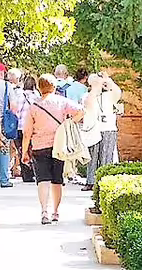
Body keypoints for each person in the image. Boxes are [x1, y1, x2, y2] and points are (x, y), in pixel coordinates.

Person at [21, 73, 84, 224]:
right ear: (54, 87)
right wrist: (69, 123)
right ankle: (55, 212)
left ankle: (44, 211)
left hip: (39, 147)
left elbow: (27, 132)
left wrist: (24, 152)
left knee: (42, 180)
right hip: (59, 146)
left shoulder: (34, 106)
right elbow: (81, 111)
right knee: (57, 180)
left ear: (39, 88)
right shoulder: (62, 102)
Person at [82, 69, 122, 188]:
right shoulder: (87, 95)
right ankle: (91, 181)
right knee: (92, 157)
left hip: (108, 129)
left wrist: (107, 80)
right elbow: (87, 104)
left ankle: (105, 181)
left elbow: (118, 92)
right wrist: (95, 88)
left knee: (106, 156)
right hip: (93, 129)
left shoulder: (110, 95)